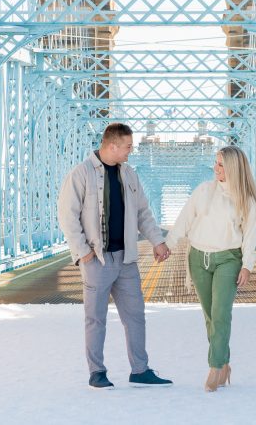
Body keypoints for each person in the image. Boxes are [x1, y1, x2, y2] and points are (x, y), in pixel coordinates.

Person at [57, 122, 173, 389]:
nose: (130, 152)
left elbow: (143, 212)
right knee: (96, 318)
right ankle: (97, 372)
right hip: (97, 259)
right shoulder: (81, 173)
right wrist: (83, 252)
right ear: (112, 145)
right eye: (128, 147)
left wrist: (157, 240)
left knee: (136, 316)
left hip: (127, 258)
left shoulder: (130, 174)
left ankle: (140, 370)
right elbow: (67, 215)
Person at [165, 145, 256, 392]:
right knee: (209, 316)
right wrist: (168, 244)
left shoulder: (247, 201)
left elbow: (249, 237)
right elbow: (184, 220)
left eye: (221, 164)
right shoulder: (203, 191)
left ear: (234, 168)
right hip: (198, 258)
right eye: (215, 163)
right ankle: (225, 362)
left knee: (221, 315)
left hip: (228, 260)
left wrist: (247, 266)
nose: (215, 168)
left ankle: (215, 366)